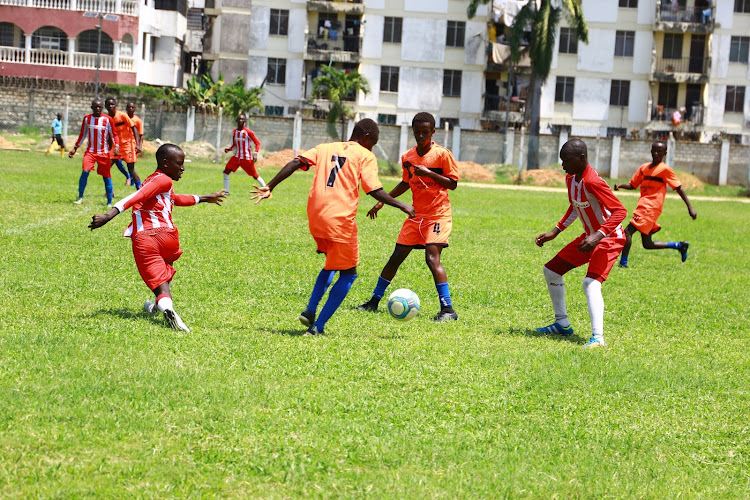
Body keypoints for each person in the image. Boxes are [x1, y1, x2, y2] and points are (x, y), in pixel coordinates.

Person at [251, 118, 415, 336]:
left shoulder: (325, 147)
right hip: (339, 220)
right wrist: (402, 204)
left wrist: (269, 186)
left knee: (332, 264)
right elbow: (374, 189)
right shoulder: (365, 155)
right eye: (373, 143)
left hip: (316, 216)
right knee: (349, 274)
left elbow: (295, 163)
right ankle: (317, 327)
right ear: (366, 137)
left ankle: (310, 309)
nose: (372, 147)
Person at [88, 144, 226, 332]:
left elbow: (142, 196)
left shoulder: (157, 180)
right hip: (168, 237)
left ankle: (167, 308)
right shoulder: (163, 182)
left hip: (147, 239)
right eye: (180, 164)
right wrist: (204, 197)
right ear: (165, 163)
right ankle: (156, 306)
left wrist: (108, 215)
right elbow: (164, 198)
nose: (183, 168)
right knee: (162, 276)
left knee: (159, 282)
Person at [356, 112, 459, 322]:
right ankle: (374, 302)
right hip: (415, 215)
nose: (421, 136)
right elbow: (405, 183)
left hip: (438, 215)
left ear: (433, 132)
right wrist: (382, 201)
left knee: (431, 257)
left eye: (425, 133)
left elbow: (453, 183)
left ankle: (448, 309)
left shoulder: (442, 155)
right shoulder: (408, 157)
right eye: (417, 133)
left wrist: (429, 173)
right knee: (396, 257)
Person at [535, 139, 627, 348]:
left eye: (566, 160)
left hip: (610, 238)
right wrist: (555, 232)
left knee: (590, 283)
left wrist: (598, 235)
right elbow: (575, 207)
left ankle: (598, 338)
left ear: (582, 158)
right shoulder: (571, 179)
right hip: (591, 237)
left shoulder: (593, 181)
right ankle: (562, 324)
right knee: (551, 270)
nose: (562, 165)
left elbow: (620, 211)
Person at [613, 141, 697, 268]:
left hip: (651, 207)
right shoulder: (644, 168)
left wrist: (690, 207)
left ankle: (623, 263)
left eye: (659, 152)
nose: (656, 153)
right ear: (651, 151)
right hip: (644, 205)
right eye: (654, 151)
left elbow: (678, 188)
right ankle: (679, 246)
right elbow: (633, 185)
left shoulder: (665, 169)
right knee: (647, 244)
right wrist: (621, 185)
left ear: (665, 153)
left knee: (627, 232)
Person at [69, 98, 119, 207]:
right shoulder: (87, 119)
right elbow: (82, 134)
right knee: (85, 172)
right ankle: (80, 197)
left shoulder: (108, 119)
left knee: (106, 177)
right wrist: (75, 148)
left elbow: (114, 134)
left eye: (99, 107)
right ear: (91, 107)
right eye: (95, 107)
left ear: (102, 108)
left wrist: (117, 146)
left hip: (103, 153)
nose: (97, 109)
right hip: (90, 152)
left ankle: (109, 201)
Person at [105, 97, 142, 189]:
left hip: (127, 145)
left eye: (112, 104)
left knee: (131, 169)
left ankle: (140, 190)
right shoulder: (107, 118)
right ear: (105, 106)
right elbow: (109, 134)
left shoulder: (122, 115)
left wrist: (138, 144)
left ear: (115, 106)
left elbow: (133, 128)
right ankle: (109, 191)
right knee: (106, 168)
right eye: (108, 105)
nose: (110, 106)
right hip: (115, 146)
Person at [223, 114, 264, 195]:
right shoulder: (235, 132)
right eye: (239, 119)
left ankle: (266, 189)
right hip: (237, 157)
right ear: (237, 121)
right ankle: (226, 192)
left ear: (245, 121)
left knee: (255, 175)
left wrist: (255, 153)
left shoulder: (248, 132)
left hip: (246, 158)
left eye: (242, 119)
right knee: (226, 172)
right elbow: (235, 145)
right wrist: (229, 149)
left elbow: (258, 143)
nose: (241, 120)